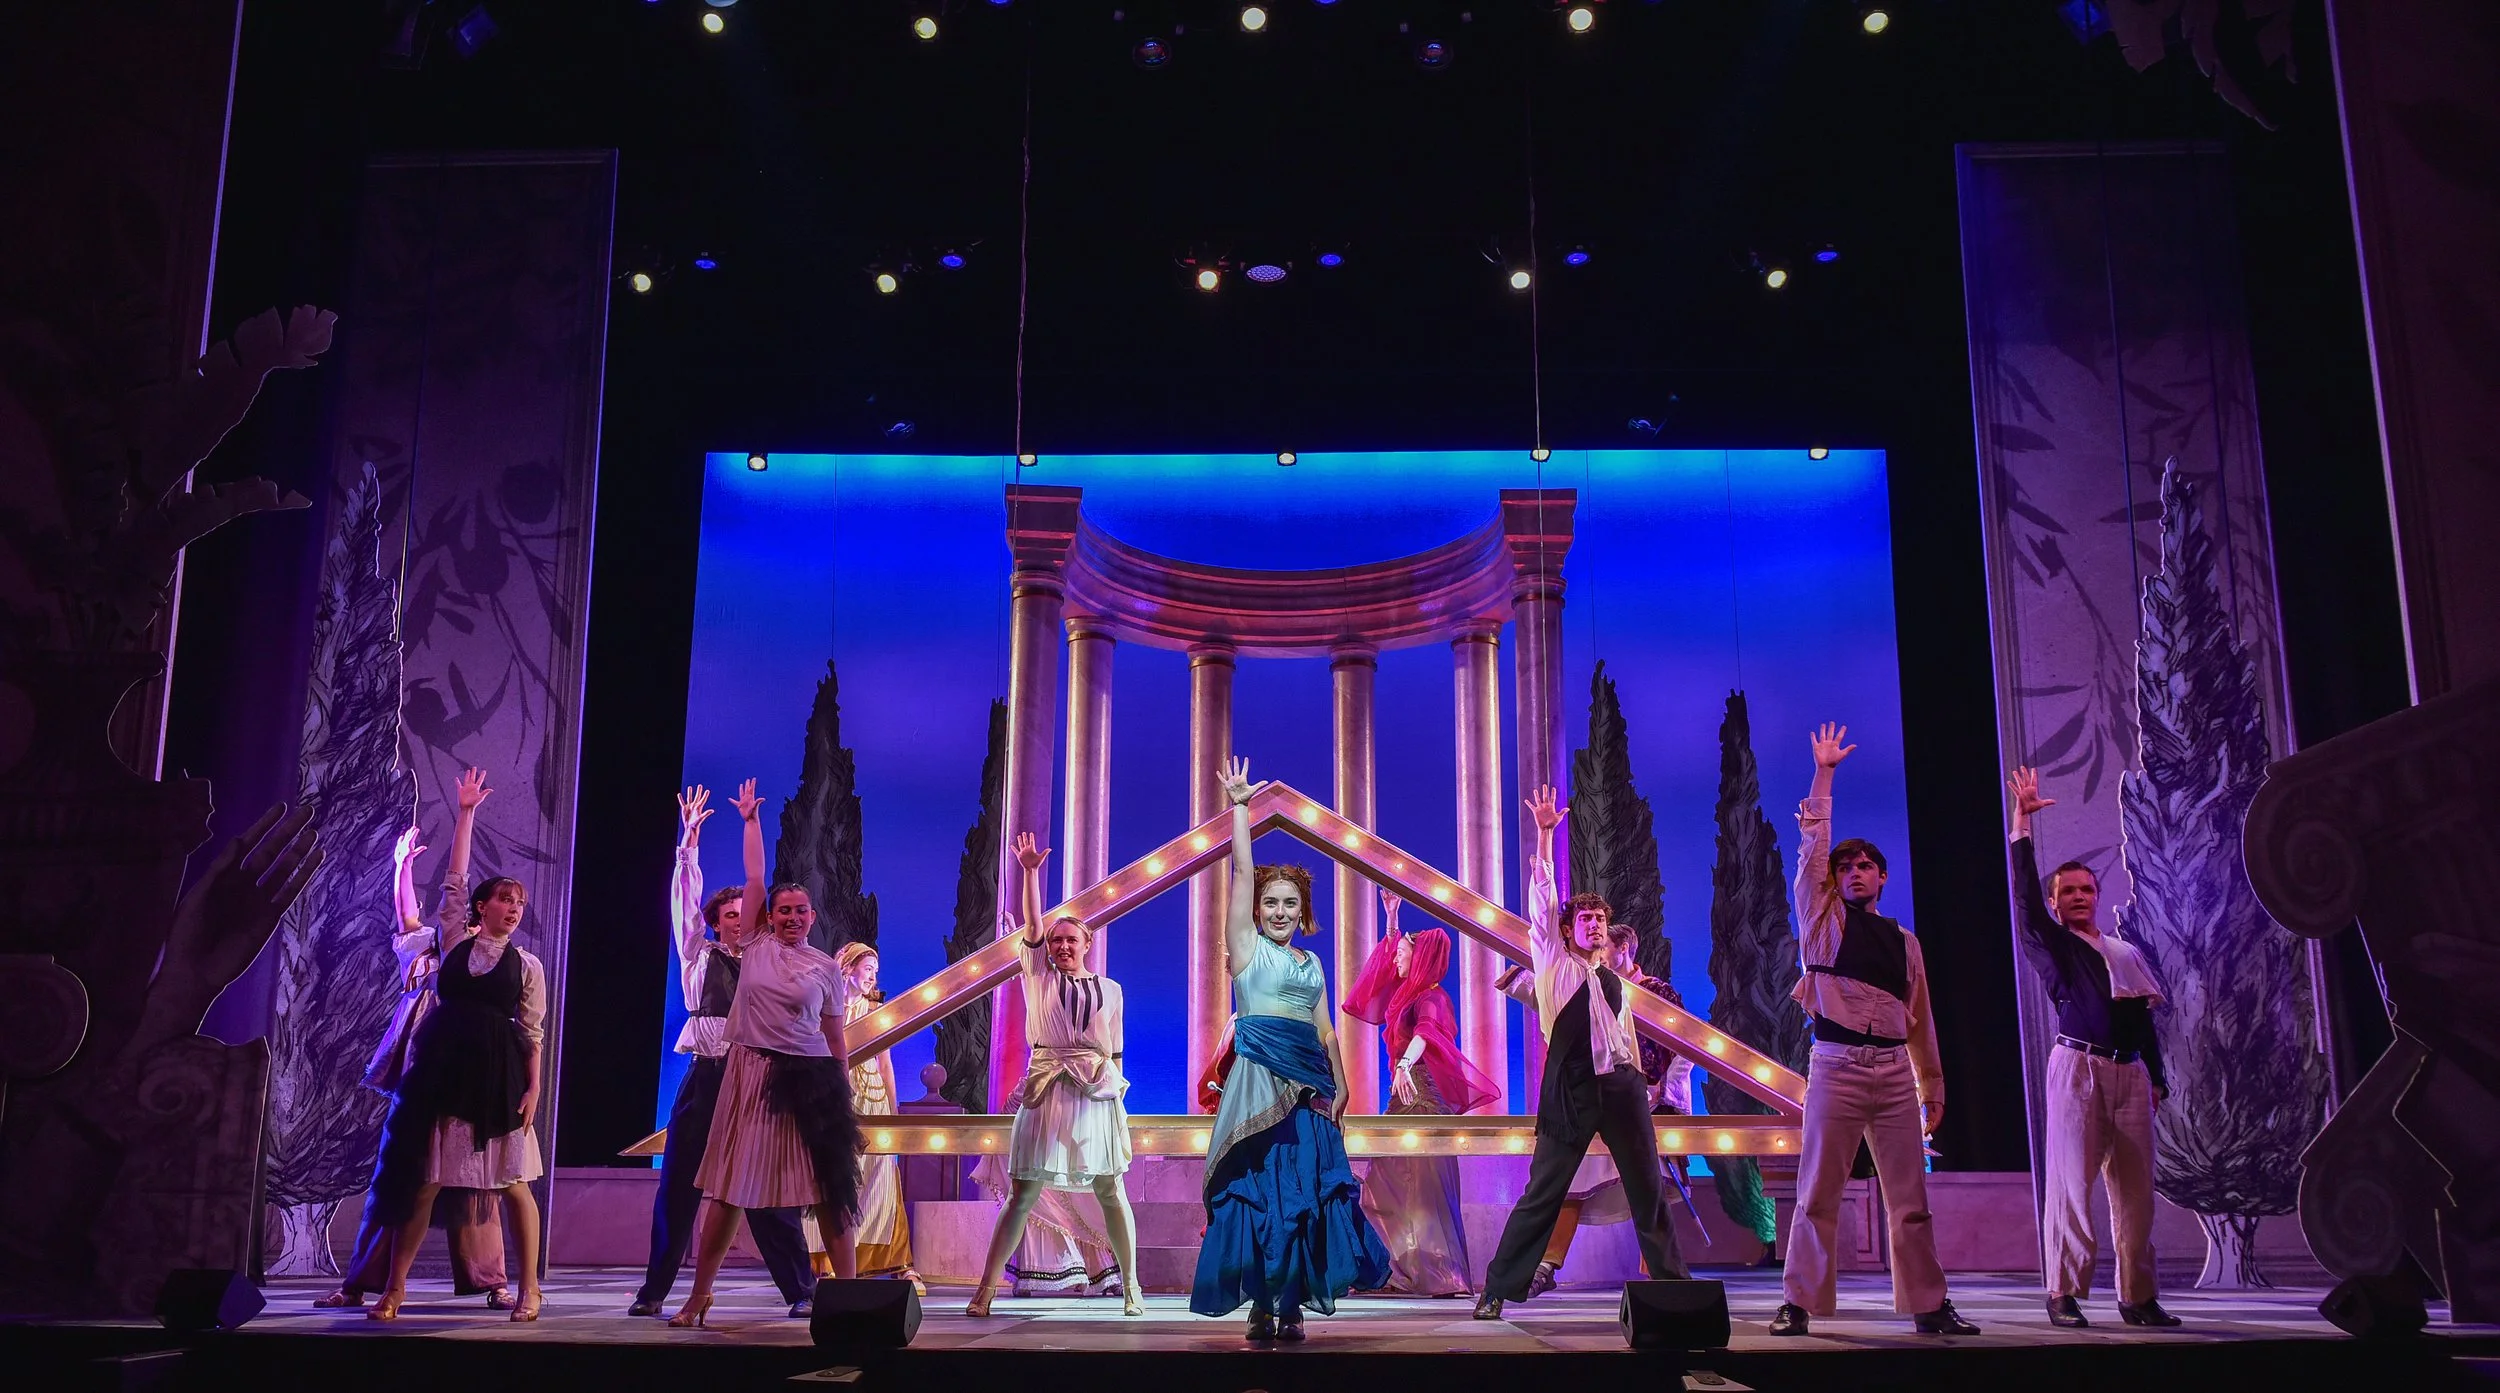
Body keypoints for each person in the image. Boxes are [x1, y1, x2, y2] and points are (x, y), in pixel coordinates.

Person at [1772, 723, 1976, 1337]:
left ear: (1883, 877)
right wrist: (1825, 774)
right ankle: (1798, 1303)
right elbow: (1812, 849)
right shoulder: (1822, 921)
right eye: (1846, 868)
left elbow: (1920, 1019)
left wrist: (1931, 1086)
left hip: (1892, 1074)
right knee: (1817, 1191)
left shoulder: (1905, 942)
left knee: (1910, 1198)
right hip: (1836, 1065)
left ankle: (1929, 1305)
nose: (1855, 873)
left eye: (1866, 866)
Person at [1191, 757, 1391, 1341]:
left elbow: (1325, 1028)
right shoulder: (1247, 949)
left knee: (1303, 1192)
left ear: (1303, 912)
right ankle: (1261, 1302)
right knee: (1260, 1191)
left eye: (1290, 904)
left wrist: (1343, 1080)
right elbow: (1241, 873)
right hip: (1258, 1080)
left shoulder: (1312, 962)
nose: (1280, 912)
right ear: (1257, 910)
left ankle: (1293, 1305)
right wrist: (1240, 810)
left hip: (1310, 1085)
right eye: (1271, 903)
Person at [1475, 786, 1689, 1319]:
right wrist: (1545, 835)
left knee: (1648, 1191)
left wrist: (1642, 1084)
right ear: (1568, 930)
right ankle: (1497, 1289)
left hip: (1621, 1089)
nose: (1594, 926)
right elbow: (1544, 899)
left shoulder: (1614, 982)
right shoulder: (1552, 959)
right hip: (1571, 1091)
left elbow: (1625, 1041)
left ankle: (1677, 1290)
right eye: (1585, 920)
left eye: (1600, 920)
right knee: (1543, 1192)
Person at [669, 778, 862, 1328]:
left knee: (829, 1186)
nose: (793, 918)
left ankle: (850, 1298)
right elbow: (755, 878)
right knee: (729, 1189)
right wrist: (751, 821)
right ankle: (699, 1296)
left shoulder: (825, 968)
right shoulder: (755, 946)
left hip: (812, 1079)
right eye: (784, 911)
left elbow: (834, 1035)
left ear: (813, 917)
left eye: (802, 911)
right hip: (752, 1072)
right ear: (769, 917)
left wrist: (843, 1088)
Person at [627, 786, 818, 1318]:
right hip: (708, 1077)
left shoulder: (765, 957)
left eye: (743, 914)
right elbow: (683, 903)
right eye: (729, 915)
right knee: (678, 1186)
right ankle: (654, 1291)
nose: (738, 920)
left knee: (765, 1188)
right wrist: (688, 843)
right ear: (715, 922)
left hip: (754, 1081)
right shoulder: (698, 953)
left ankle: (801, 1290)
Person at [364, 769, 547, 1323]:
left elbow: (532, 1032)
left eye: (519, 903)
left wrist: (535, 1087)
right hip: (446, 1071)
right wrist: (466, 814)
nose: (513, 909)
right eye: (504, 900)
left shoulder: (527, 965)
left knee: (513, 1186)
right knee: (424, 1183)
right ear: (481, 908)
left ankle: (529, 1289)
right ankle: (393, 1289)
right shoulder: (452, 940)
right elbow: (454, 881)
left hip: (498, 1075)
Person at [2006, 765, 2181, 1330]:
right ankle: (2062, 1292)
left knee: (2136, 1193)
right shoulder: (2053, 946)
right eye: (2068, 892)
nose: (2079, 897)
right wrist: (2022, 827)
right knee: (2071, 1186)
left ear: (2098, 897)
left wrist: (2156, 1077)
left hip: (2129, 1075)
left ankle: (2138, 1297)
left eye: (2086, 890)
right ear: (2056, 903)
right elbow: (2025, 903)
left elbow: (2142, 1020)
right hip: (2077, 1066)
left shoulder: (2123, 952)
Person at [317, 823, 514, 1312]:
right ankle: (362, 1281)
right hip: (422, 1070)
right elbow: (408, 915)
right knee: (400, 1172)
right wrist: (401, 865)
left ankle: (493, 1280)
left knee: (475, 1173)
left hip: (468, 1068)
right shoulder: (430, 947)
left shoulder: (489, 958)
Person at [966, 833, 1142, 1317]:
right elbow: (1031, 926)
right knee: (1023, 1192)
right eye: (1056, 940)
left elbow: (1116, 1050)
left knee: (1110, 1189)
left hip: (1095, 1090)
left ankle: (1132, 1287)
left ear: (1087, 944)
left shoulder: (1111, 989)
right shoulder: (1038, 976)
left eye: (1071, 939)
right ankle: (985, 1289)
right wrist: (1029, 873)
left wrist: (1118, 1103)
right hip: (1045, 1087)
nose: (1062, 945)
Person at [1498, 921, 1700, 1293]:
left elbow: (1684, 1045)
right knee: (1572, 1180)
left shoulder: (1654, 992)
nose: (1598, 950)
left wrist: (1664, 1090)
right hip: (1592, 1096)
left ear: (1623, 948)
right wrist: (1522, 983)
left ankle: (1665, 1280)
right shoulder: (1588, 981)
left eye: (1605, 944)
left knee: (1649, 1188)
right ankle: (1545, 1264)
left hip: (1640, 1101)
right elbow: (1557, 1009)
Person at [1341, 887, 1498, 1296]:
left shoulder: (1433, 998)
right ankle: (1397, 1271)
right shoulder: (1408, 995)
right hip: (1405, 1097)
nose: (1395, 958)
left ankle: (1442, 1275)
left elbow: (1426, 1033)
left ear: (1421, 957)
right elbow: (1377, 979)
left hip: (1423, 1096)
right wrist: (1392, 920)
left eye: (1403, 953)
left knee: (1426, 1187)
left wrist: (1405, 1063)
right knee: (1385, 1183)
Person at [839, 940, 924, 1292]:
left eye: (876, 970)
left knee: (880, 1176)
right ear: (847, 968)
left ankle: (896, 1261)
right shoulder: (825, 1006)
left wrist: (893, 1109)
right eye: (867, 969)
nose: (873, 976)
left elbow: (885, 1063)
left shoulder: (875, 1009)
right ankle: (830, 1262)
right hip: (836, 1098)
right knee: (838, 1176)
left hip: (871, 1097)